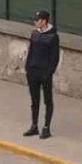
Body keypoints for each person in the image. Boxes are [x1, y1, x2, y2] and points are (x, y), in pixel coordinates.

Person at [24, 10, 61, 139]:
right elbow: (31, 51)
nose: (35, 22)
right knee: (34, 101)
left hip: (44, 73)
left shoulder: (52, 37)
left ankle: (46, 128)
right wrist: (27, 68)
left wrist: (49, 72)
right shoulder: (34, 34)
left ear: (44, 21)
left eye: (37, 20)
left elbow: (55, 57)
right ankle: (34, 126)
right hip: (33, 72)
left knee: (47, 100)